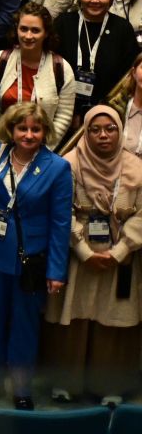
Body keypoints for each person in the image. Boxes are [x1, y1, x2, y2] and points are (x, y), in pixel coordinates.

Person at [0, 101, 72, 410]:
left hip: (32, 261)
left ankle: (22, 388)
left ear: (44, 133)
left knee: (25, 325)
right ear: (11, 130)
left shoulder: (57, 167)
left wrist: (56, 270)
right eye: (22, 128)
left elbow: (60, 222)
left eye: (35, 129)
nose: (28, 135)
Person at [45, 104, 142, 402]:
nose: (103, 135)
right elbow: (60, 211)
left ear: (120, 131)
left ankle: (109, 387)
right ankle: (66, 384)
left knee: (113, 321)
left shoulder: (137, 167)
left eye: (110, 129)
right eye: (95, 129)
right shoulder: (67, 164)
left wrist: (122, 249)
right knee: (74, 319)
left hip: (122, 256)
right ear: (85, 132)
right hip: (78, 255)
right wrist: (84, 251)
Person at [0, 5, 76, 147]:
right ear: (16, 30)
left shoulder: (61, 68)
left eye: (35, 30)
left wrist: (45, 149)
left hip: (43, 151)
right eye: (24, 29)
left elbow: (63, 116)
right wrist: (2, 141)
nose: (28, 36)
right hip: (1, 146)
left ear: (46, 33)